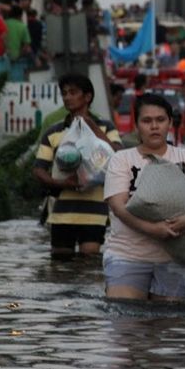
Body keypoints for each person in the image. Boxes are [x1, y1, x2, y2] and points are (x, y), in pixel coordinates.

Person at [103, 94, 185, 301]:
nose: (154, 126)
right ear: (137, 125)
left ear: (170, 123)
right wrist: (154, 230)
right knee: (126, 318)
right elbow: (118, 207)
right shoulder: (121, 159)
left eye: (160, 120)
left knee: (169, 324)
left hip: (177, 257)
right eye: (147, 121)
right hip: (127, 254)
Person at [33, 74, 122, 257]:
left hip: (95, 212)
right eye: (64, 93)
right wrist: (63, 184)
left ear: (87, 97)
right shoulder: (54, 131)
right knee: (60, 267)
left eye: (73, 93)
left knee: (88, 266)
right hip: (61, 212)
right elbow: (38, 169)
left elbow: (119, 156)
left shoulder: (106, 127)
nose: (67, 97)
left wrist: (93, 128)